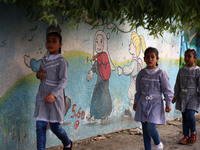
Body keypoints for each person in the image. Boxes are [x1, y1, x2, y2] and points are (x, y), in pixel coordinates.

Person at [34, 25, 73, 150]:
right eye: (48, 41)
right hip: (43, 97)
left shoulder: (62, 61)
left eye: (54, 41)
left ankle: (67, 143)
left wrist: (54, 94)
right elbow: (41, 74)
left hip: (55, 99)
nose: (50, 43)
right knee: (40, 126)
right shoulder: (45, 59)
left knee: (55, 127)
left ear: (60, 44)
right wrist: (38, 75)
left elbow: (63, 80)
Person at [133, 47, 173, 150]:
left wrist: (168, 103)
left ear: (157, 59)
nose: (150, 59)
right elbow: (138, 90)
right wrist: (136, 101)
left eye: (152, 57)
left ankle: (158, 143)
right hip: (142, 103)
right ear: (144, 59)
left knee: (151, 126)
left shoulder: (161, 73)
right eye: (147, 57)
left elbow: (167, 89)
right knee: (145, 129)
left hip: (155, 103)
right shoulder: (141, 73)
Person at [172, 48, 200, 145]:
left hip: (193, 97)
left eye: (189, 56)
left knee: (189, 115)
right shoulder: (181, 70)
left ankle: (193, 132)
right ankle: (185, 136)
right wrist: (175, 96)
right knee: (184, 117)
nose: (187, 58)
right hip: (182, 96)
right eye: (186, 56)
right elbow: (177, 84)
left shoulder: (197, 71)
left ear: (195, 58)